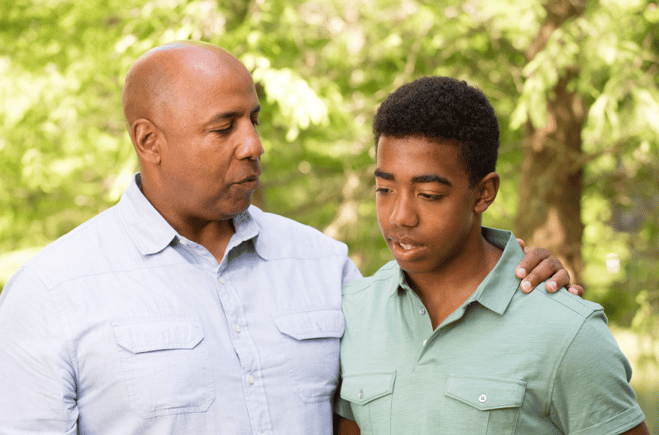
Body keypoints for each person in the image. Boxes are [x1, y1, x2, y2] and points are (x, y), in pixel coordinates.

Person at [0, 42, 576, 434]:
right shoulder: (51, 292)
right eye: (224, 127)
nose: (253, 144)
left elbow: (438, 341)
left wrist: (519, 274)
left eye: (253, 119)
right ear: (149, 141)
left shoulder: (325, 266)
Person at [336, 76, 648, 435]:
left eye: (429, 194)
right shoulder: (352, 314)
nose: (399, 216)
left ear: (483, 193)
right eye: (385, 189)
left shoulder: (566, 331)